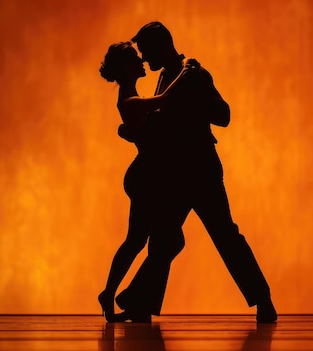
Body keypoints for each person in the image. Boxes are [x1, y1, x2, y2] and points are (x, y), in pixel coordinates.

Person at [114, 22, 277, 323]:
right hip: (176, 172)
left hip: (201, 169)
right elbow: (165, 121)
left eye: (147, 52)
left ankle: (263, 300)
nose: (145, 59)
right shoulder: (165, 76)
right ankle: (139, 302)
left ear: (163, 46)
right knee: (164, 239)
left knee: (225, 235)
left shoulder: (196, 75)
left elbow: (223, 114)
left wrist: (192, 104)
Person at [97, 41, 199, 323]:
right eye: (135, 59)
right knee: (168, 239)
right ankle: (127, 296)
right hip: (145, 179)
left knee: (137, 241)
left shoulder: (134, 97)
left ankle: (116, 295)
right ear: (125, 69)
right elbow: (165, 100)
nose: (142, 61)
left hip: (149, 177)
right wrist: (186, 72)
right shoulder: (130, 102)